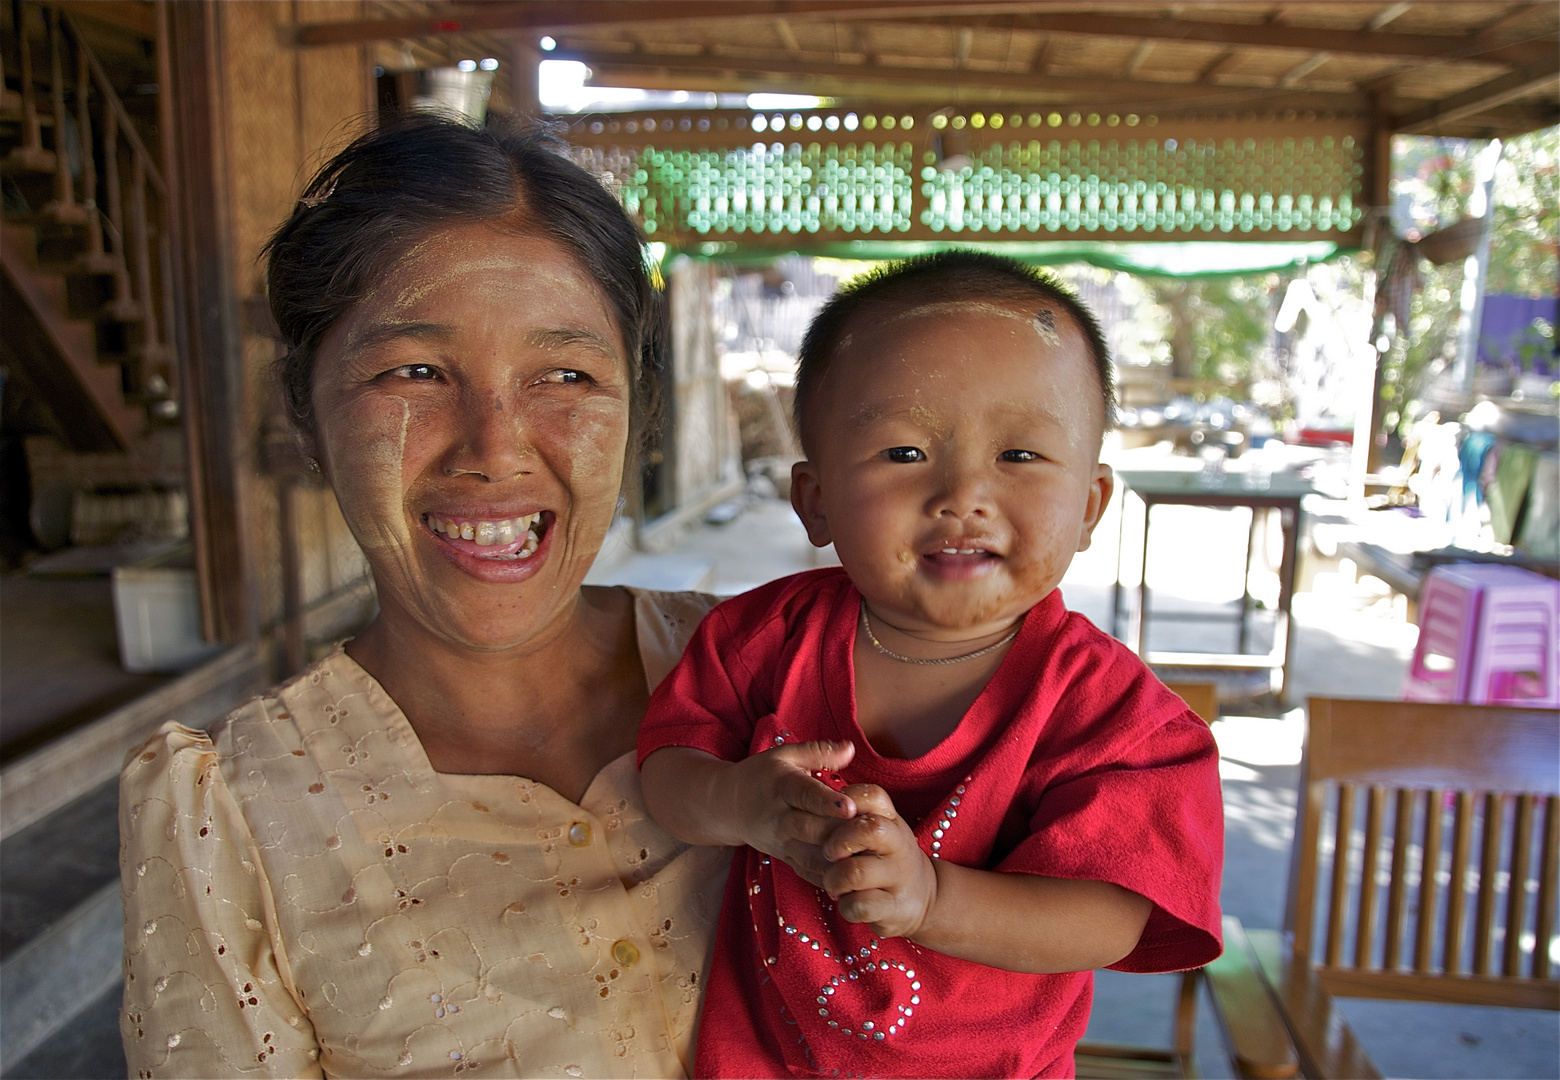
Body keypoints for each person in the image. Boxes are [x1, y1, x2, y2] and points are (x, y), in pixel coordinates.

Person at [118, 115, 731, 1079]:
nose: (494, 447)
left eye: (565, 375)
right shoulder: (230, 818)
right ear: (307, 414)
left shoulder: (774, 677)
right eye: (414, 371)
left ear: (637, 410)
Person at [638, 252, 1224, 1078]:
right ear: (815, 501)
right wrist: (738, 802)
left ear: (1090, 505)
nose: (962, 495)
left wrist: (933, 899)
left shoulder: (1116, 715)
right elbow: (665, 774)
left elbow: (1110, 918)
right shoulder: (761, 638)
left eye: (1019, 456)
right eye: (904, 453)